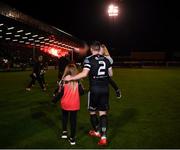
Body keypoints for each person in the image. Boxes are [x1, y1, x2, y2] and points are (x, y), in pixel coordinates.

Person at [64, 41, 112, 145]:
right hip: (105, 89)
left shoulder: (88, 59)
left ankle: (96, 131)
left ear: (91, 49)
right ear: (99, 48)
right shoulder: (107, 59)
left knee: (92, 111)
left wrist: (71, 78)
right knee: (103, 113)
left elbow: (84, 74)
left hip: (94, 90)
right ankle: (103, 137)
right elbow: (111, 74)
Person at [52, 64, 84, 145]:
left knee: (64, 117)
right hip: (74, 104)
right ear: (75, 71)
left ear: (66, 71)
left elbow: (60, 93)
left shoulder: (64, 80)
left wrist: (54, 100)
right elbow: (82, 92)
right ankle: (72, 139)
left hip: (65, 103)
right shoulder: (77, 81)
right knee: (73, 121)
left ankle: (64, 133)